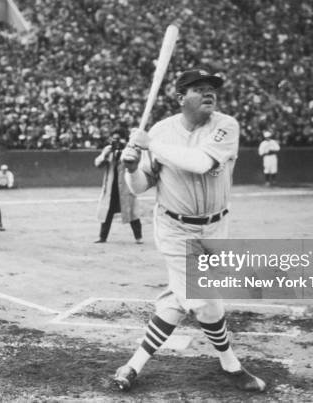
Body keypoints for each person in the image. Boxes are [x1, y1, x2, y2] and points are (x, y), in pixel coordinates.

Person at [113, 69, 266, 392]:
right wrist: (130, 168)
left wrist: (149, 144)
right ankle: (232, 366)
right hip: (174, 228)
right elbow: (140, 186)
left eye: (212, 89)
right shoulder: (160, 130)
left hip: (215, 227)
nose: (209, 93)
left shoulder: (226, 126)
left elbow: (200, 162)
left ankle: (133, 365)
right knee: (204, 295)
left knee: (182, 300)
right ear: (181, 98)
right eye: (199, 89)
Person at [94, 132, 142, 244]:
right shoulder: (108, 150)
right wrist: (104, 155)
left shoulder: (130, 150)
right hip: (111, 187)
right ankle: (102, 237)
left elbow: (135, 163)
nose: (116, 142)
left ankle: (138, 237)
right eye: (114, 139)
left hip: (126, 186)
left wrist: (124, 153)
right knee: (107, 212)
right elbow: (98, 164)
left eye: (118, 139)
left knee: (132, 211)